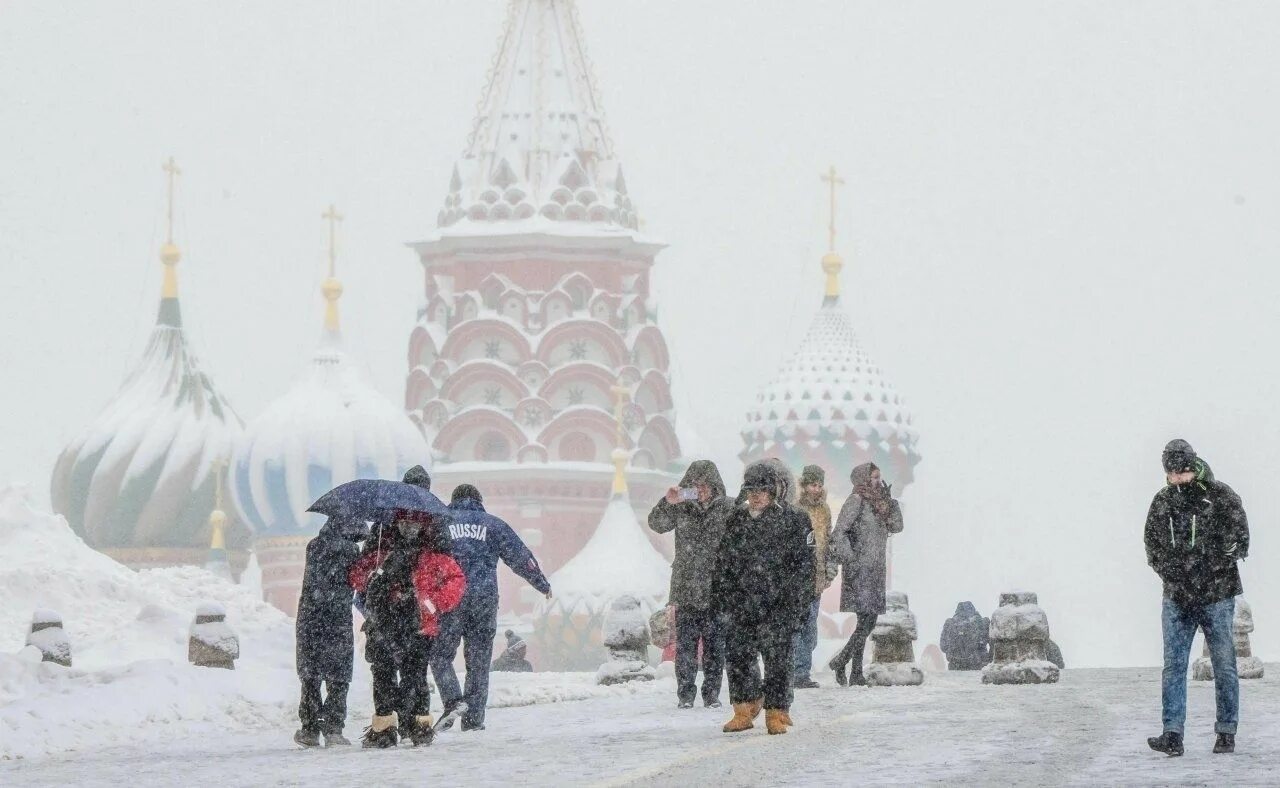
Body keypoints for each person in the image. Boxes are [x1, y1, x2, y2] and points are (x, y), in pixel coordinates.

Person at [1144, 439, 1249, 757]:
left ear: (1192, 467)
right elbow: (1152, 546)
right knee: (1173, 667)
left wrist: (1227, 554)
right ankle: (1172, 735)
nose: (1176, 479)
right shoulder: (1161, 502)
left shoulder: (1221, 495)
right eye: (1171, 473)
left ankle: (1226, 733)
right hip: (1176, 597)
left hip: (1217, 595)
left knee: (1225, 666)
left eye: (1181, 472)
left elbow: (1242, 536)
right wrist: (1173, 576)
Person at [431, 484, 550, 731]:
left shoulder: (441, 522)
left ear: (454, 501)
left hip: (451, 598)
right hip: (484, 600)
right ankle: (473, 719)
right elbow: (520, 557)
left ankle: (453, 700)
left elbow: (425, 560)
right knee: (479, 662)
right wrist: (541, 583)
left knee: (440, 654)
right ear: (478, 501)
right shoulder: (493, 525)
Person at [349, 511, 465, 748]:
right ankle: (412, 726)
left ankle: (391, 726)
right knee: (400, 676)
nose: (409, 529)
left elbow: (455, 581)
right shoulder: (388, 553)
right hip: (396, 624)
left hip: (407, 624)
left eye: (414, 525)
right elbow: (358, 576)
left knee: (405, 676)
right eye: (405, 524)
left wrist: (431, 603)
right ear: (397, 524)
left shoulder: (425, 557)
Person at [712, 461, 813, 735]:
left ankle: (777, 712)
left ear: (775, 491)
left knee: (778, 659)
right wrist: (720, 599)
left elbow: (804, 567)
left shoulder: (795, 520)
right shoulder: (736, 519)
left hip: (779, 605)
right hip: (741, 604)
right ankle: (743, 708)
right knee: (738, 657)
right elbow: (723, 563)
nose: (756, 495)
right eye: (751, 490)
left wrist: (798, 604)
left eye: (763, 490)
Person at [647, 460, 733, 709]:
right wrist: (668, 502)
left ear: (715, 486)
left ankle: (711, 694)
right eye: (695, 485)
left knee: (715, 648)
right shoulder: (681, 507)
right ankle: (685, 694)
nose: (701, 490)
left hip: (718, 589)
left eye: (706, 485)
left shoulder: (728, 508)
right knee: (685, 647)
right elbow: (656, 523)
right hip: (686, 589)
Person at [293, 514, 368, 747]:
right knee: (338, 676)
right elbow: (357, 581)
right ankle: (334, 729)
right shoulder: (350, 551)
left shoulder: (313, 546)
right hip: (337, 619)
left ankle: (309, 728)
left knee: (311, 676)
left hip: (309, 618)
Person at [828, 462, 903, 686]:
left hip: (876, 569)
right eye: (874, 477)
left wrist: (889, 504)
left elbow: (897, 526)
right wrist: (850, 558)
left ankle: (848, 666)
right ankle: (850, 668)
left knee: (868, 620)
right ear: (863, 479)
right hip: (859, 569)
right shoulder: (856, 501)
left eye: (880, 476)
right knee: (866, 619)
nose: (878, 480)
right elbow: (839, 532)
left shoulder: (882, 502)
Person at [791, 465, 835, 689]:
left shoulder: (824, 510)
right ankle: (795, 671)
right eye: (812, 484)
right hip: (796, 577)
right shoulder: (795, 508)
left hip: (816, 578)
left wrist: (829, 570)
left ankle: (802, 671)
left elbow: (827, 542)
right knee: (796, 626)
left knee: (809, 628)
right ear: (804, 485)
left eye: (819, 485)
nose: (816, 489)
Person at [939, 601, 989, 671]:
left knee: (954, 682)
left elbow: (943, 646)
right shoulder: (981, 622)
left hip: (955, 666)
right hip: (977, 665)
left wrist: (954, 652)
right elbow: (991, 644)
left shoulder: (950, 623)